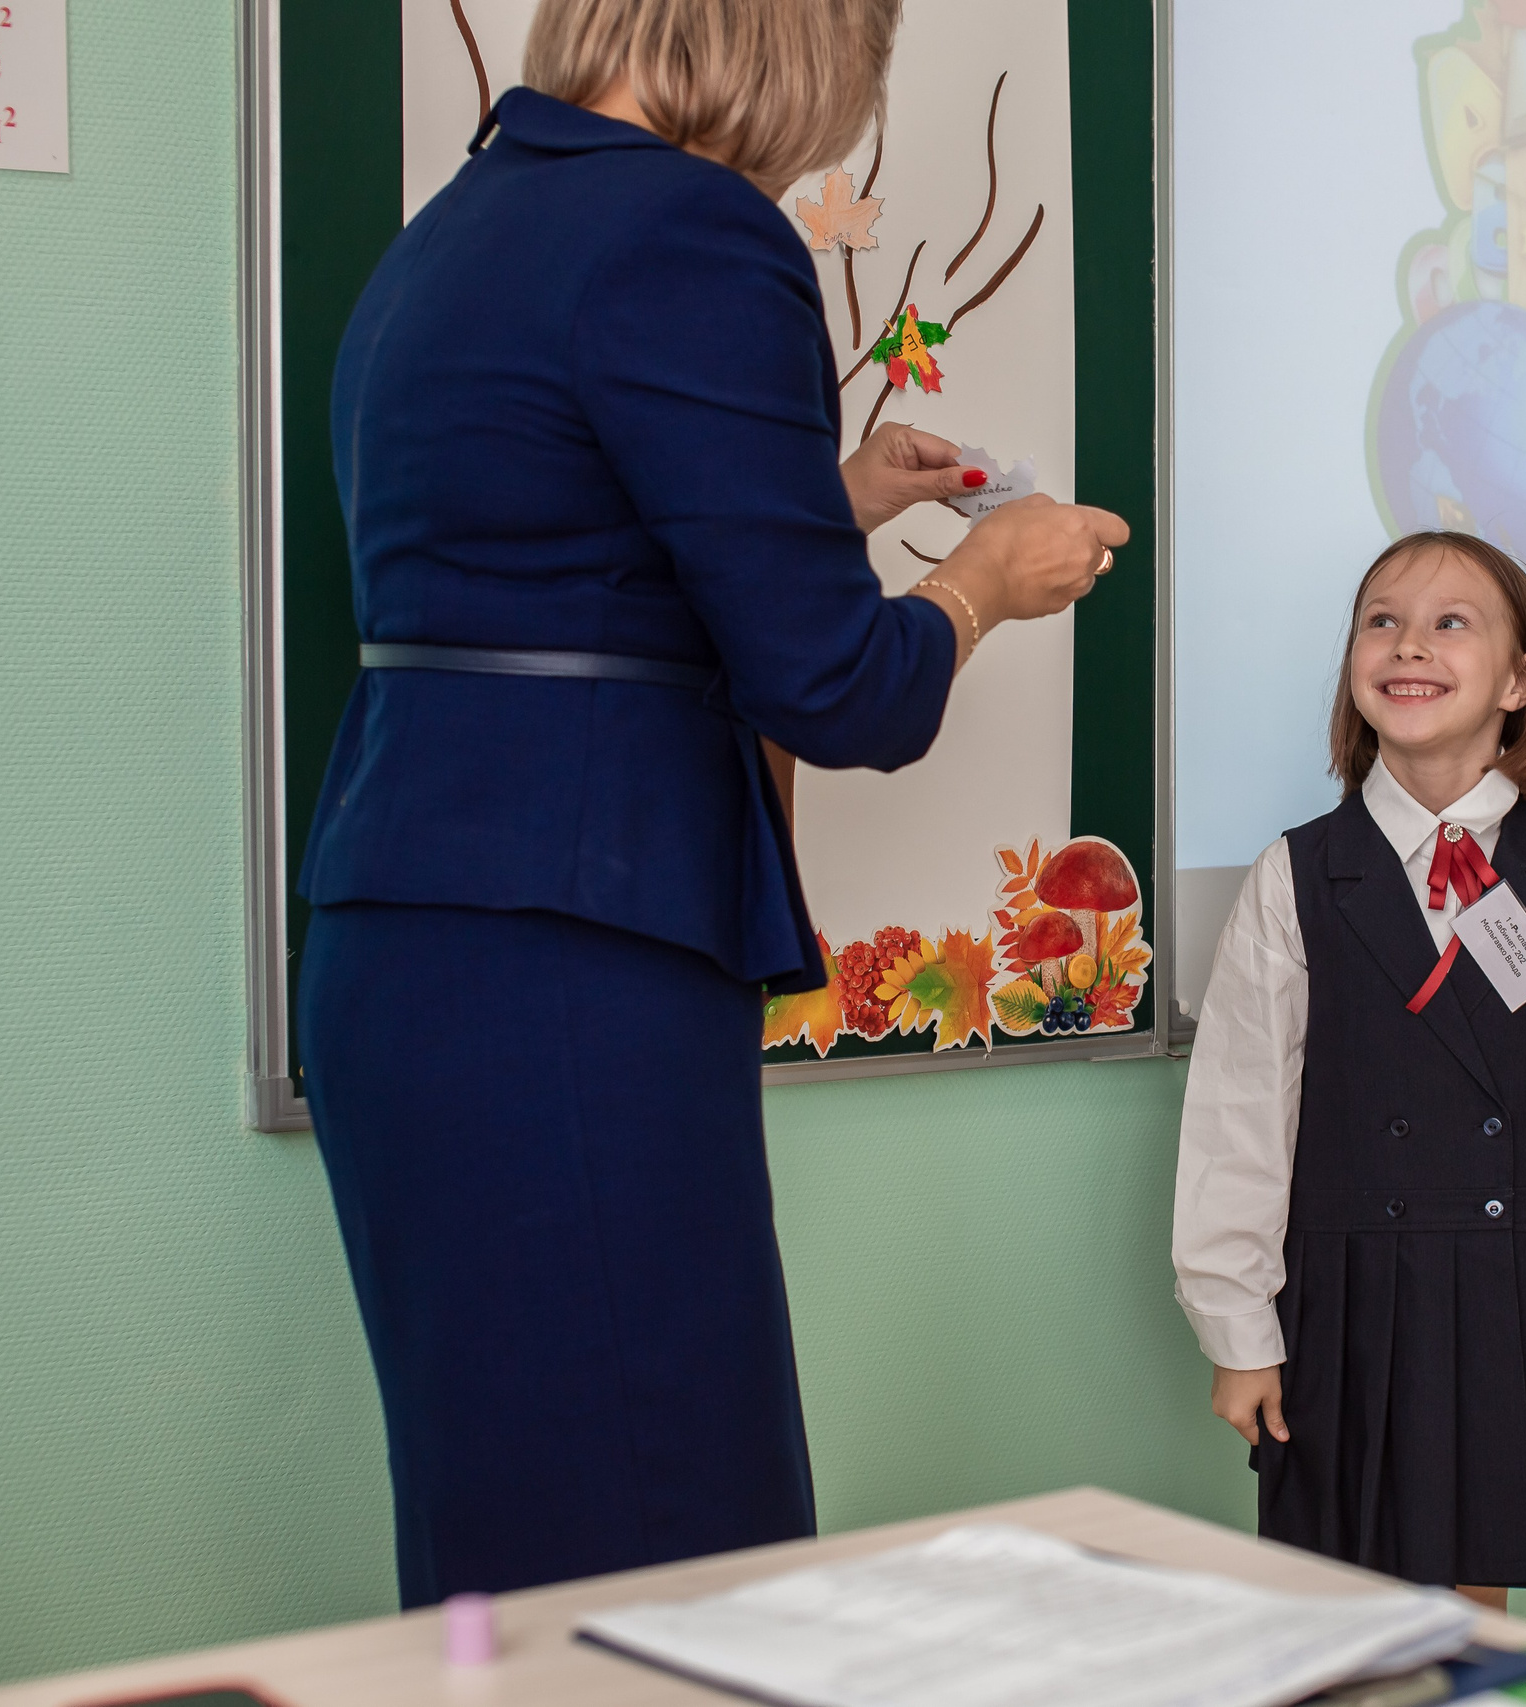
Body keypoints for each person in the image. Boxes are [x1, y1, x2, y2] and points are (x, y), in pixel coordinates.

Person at [294, 0, 1127, 1606]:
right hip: (573, 951)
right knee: (672, 1530)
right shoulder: (696, 229)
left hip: (413, 941)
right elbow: (837, 690)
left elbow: (558, 570)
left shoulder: (453, 231)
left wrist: (827, 504)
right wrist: (982, 583)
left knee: (513, 1540)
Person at [1171, 531, 1526, 1606]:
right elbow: (1239, 1114)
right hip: (1351, 1286)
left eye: (1451, 621)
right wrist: (1237, 1330)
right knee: (1344, 1602)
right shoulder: (1296, 874)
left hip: (1516, 1276)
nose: (1409, 642)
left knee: (1474, 1592)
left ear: (1517, 680)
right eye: (1381, 620)